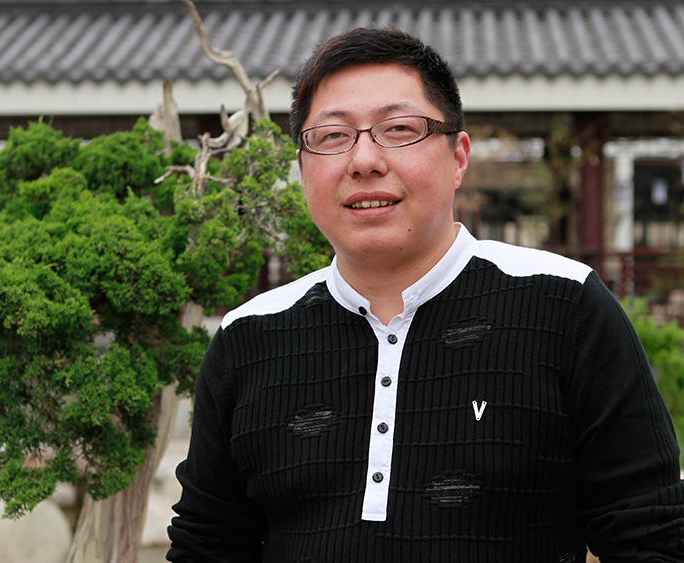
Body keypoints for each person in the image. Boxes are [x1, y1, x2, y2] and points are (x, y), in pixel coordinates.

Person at [167, 27, 684, 562]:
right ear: (301, 168)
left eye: (398, 129)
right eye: (332, 136)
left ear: (458, 157)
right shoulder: (248, 337)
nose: (363, 161)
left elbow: (652, 538)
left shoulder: (565, 306)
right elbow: (208, 545)